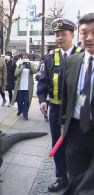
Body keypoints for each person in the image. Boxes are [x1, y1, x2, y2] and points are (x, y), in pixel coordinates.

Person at [37, 18, 82, 192]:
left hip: (76, 111)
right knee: (57, 144)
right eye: (57, 35)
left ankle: (77, 178)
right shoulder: (50, 58)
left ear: (72, 34)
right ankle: (61, 177)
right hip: (55, 110)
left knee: (76, 145)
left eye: (63, 34)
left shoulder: (83, 55)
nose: (59, 38)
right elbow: (43, 81)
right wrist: (42, 100)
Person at [61, 13, 94, 195]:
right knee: (76, 178)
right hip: (75, 132)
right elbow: (66, 97)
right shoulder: (72, 61)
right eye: (84, 33)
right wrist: (62, 125)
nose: (89, 38)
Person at [11, 53, 37, 120]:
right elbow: (15, 74)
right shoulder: (20, 65)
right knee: (20, 101)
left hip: (28, 88)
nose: (25, 58)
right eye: (23, 57)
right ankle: (20, 111)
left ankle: (25, 114)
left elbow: (35, 71)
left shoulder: (31, 65)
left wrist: (30, 65)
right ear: (22, 58)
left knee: (27, 101)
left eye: (26, 57)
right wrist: (21, 68)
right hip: (20, 87)